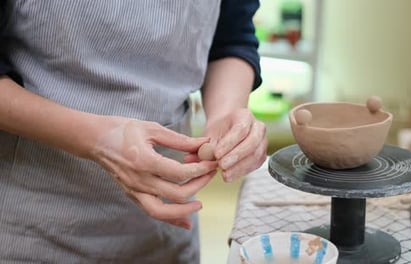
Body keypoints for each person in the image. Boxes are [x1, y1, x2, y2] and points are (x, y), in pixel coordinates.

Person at [0, 0, 267, 263]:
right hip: (34, 224)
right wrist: (98, 140)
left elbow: (231, 36)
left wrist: (226, 113)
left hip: (165, 226)